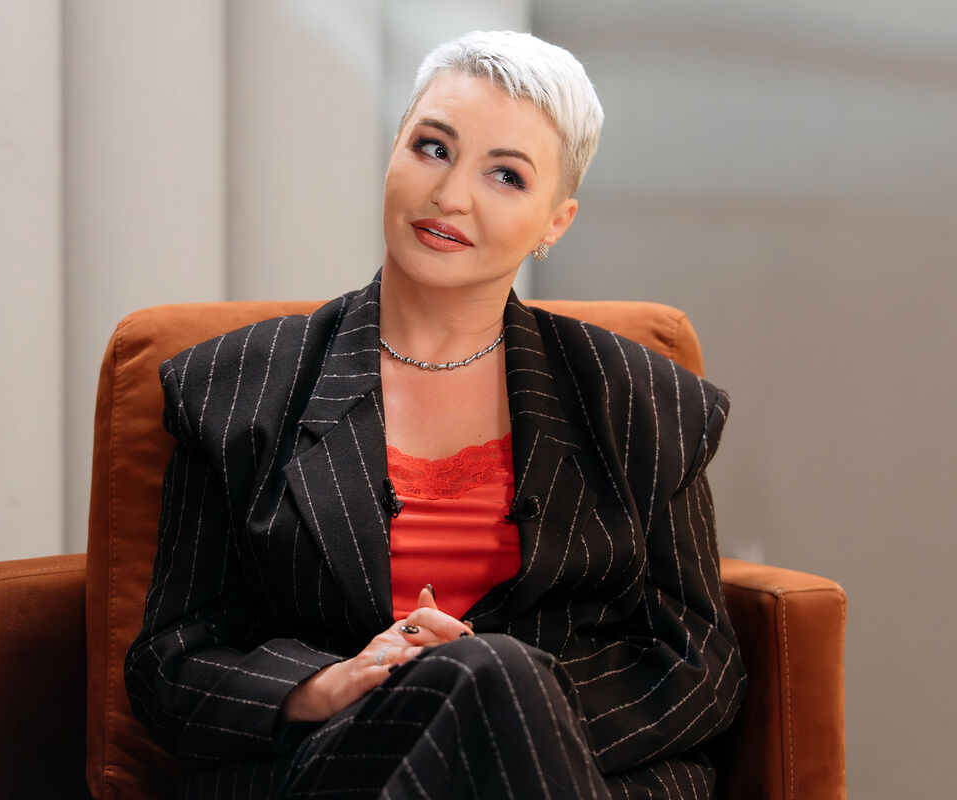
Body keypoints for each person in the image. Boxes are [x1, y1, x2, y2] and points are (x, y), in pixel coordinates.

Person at [125, 30, 745, 799]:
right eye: (433, 148)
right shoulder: (235, 389)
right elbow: (172, 659)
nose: (450, 195)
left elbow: (698, 663)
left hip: (580, 767)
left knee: (492, 673)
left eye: (506, 175)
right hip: (336, 767)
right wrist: (331, 684)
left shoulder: (641, 401)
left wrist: (498, 696)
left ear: (556, 221)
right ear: (393, 150)